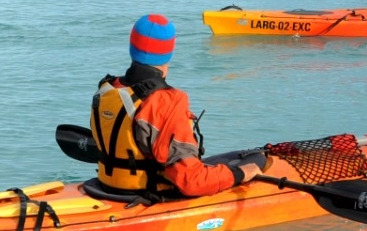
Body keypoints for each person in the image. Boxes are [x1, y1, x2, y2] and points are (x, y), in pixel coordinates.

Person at [89, 15, 268, 199]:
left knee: (244, 154)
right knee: (258, 159)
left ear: (132, 47)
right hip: (149, 195)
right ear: (169, 52)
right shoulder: (167, 101)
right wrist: (241, 173)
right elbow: (192, 182)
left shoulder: (107, 89)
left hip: (106, 187)